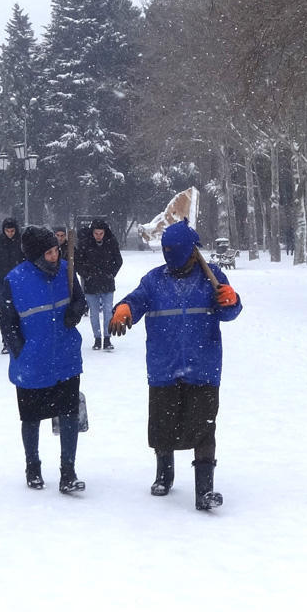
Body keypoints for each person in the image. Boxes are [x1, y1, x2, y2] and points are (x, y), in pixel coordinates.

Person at [108, 219, 242, 511]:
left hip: (203, 365)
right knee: (163, 425)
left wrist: (231, 301)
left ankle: (204, 490)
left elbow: (229, 313)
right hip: (164, 365)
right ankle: (163, 475)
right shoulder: (154, 280)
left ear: (192, 251)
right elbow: (137, 300)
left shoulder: (212, 277)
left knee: (204, 426)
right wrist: (125, 308)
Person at [0, 226, 89, 493]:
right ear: (35, 256)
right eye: (48, 252)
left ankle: (68, 471)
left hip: (65, 358)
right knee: (31, 417)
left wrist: (75, 311)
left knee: (69, 414)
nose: (55, 256)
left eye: (56, 250)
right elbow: (8, 323)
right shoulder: (15, 280)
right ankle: (33, 467)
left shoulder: (67, 271)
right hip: (32, 362)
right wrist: (22, 351)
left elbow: (80, 300)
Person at [75, 217, 123, 352]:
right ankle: (97, 338)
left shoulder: (111, 242)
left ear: (105, 232)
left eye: (101, 233)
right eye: (96, 233)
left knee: (108, 312)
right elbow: (78, 262)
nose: (98, 236)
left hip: (107, 283)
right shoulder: (85, 243)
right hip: (91, 284)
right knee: (94, 313)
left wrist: (111, 274)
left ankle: (107, 338)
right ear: (92, 232)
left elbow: (118, 260)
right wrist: (86, 275)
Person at [0, 217, 24, 353]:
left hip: (19, 280)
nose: (10, 234)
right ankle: (7, 341)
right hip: (3, 280)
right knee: (5, 311)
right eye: (7, 231)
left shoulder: (21, 241)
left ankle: (19, 338)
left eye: (12, 231)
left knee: (19, 310)